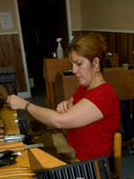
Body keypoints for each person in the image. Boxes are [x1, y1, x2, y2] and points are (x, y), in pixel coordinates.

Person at [7, 33, 120, 170]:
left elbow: (59, 121)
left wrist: (25, 105)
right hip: (77, 156)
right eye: (72, 64)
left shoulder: (104, 94)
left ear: (96, 63)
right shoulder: (85, 88)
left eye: (79, 64)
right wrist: (67, 103)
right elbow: (74, 104)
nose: (74, 70)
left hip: (94, 168)